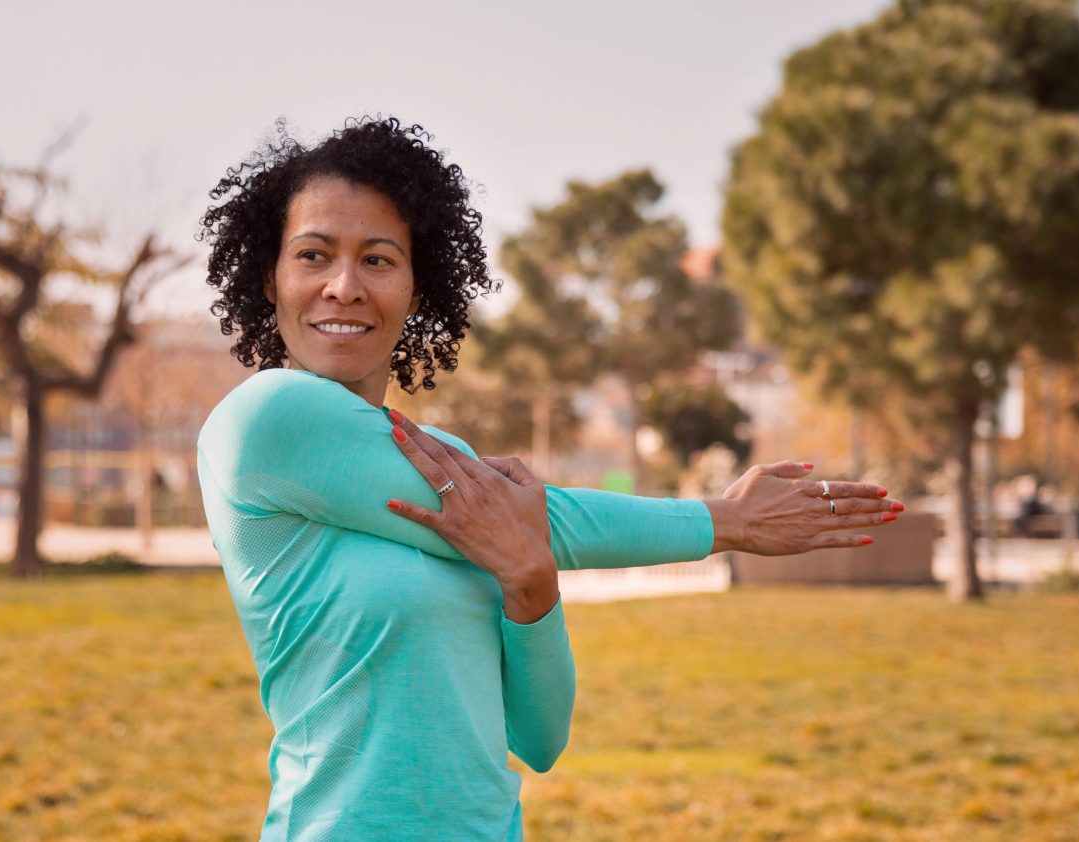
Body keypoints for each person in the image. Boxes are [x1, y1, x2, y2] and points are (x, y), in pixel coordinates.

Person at [195, 118, 902, 841]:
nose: (343, 287)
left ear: (417, 287)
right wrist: (725, 520)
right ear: (270, 278)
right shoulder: (265, 422)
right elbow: (543, 519)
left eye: (378, 260)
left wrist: (532, 587)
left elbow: (538, 738)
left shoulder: (443, 452)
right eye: (314, 255)